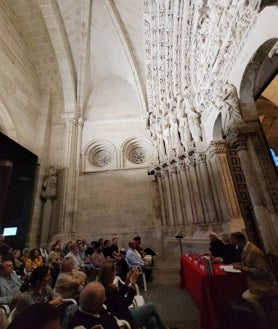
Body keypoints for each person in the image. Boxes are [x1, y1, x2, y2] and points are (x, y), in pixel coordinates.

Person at [98, 262, 169, 329]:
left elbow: (119, 297)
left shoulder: (106, 286)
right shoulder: (107, 292)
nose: (116, 273)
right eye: (114, 271)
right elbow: (127, 302)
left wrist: (127, 280)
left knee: (151, 320)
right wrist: (133, 283)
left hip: (123, 312)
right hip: (125, 320)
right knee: (151, 306)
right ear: (109, 274)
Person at [230, 231, 278, 326]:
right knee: (241, 294)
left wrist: (242, 268)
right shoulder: (246, 249)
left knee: (247, 297)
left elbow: (262, 272)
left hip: (264, 285)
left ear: (237, 240)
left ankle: (263, 319)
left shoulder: (254, 251)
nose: (231, 242)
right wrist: (238, 265)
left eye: (232, 240)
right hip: (254, 282)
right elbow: (246, 263)